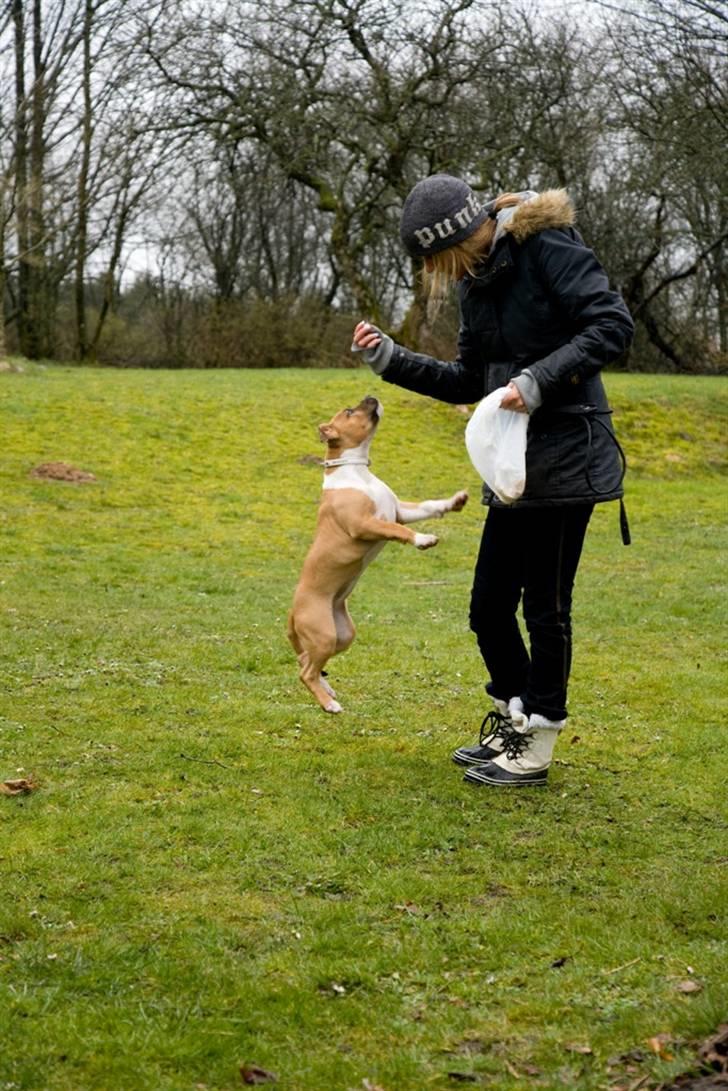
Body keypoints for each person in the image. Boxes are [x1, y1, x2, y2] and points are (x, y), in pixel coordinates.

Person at [351, 176, 633, 788]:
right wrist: (391, 360)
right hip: (513, 466)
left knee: (546, 608)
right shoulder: (475, 281)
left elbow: (611, 325)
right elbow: (469, 379)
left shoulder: (548, 249)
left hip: (569, 454)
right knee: (488, 607)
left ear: (454, 235)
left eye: (432, 259)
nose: (435, 272)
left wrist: (535, 382)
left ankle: (541, 734)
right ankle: (515, 717)